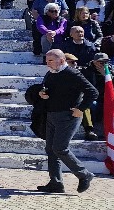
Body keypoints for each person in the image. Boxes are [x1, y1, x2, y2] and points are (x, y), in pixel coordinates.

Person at [36, 49, 98, 194]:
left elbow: (93, 92)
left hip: (68, 116)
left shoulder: (72, 74)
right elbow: (49, 89)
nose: (47, 63)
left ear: (62, 60)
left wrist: (81, 108)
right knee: (51, 149)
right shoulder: (51, 73)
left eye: (51, 60)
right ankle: (56, 183)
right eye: (47, 60)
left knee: (60, 148)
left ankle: (84, 174)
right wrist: (43, 93)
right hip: (52, 115)